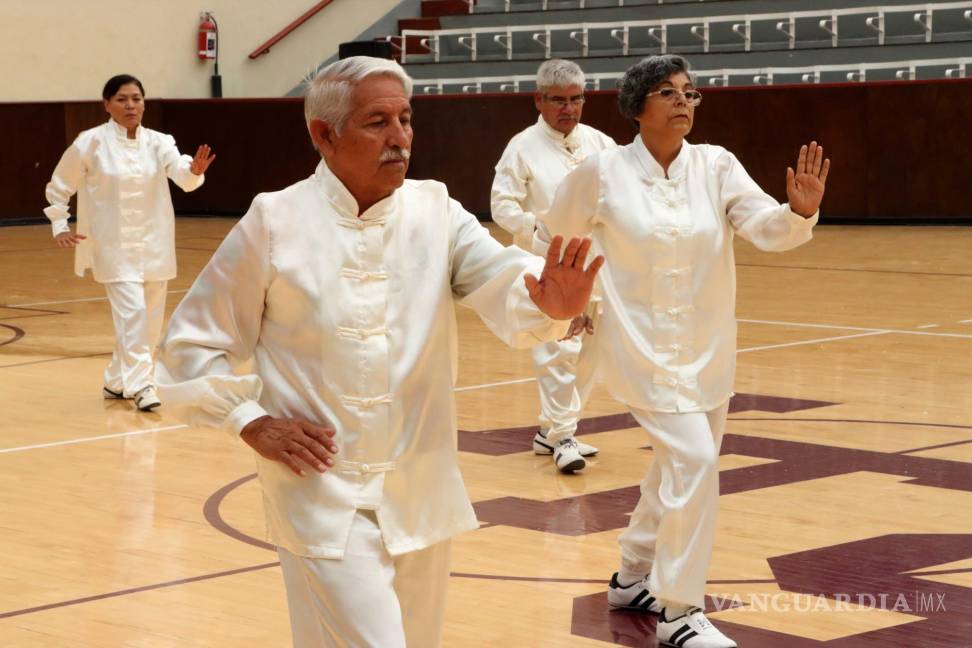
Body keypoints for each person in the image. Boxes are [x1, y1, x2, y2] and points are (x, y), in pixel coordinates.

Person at [155, 56, 602, 648]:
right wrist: (250, 422)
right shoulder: (274, 221)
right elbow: (189, 347)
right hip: (320, 493)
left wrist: (551, 304)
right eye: (377, 123)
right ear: (324, 134)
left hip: (419, 490)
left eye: (406, 119)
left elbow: (504, 280)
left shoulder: (435, 210)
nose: (400, 139)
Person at [537, 55, 831, 648]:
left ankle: (631, 576)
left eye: (691, 93)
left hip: (709, 347)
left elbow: (765, 229)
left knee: (677, 465)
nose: (683, 102)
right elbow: (551, 240)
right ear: (637, 106)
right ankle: (679, 611)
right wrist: (565, 308)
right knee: (695, 463)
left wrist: (798, 210)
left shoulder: (717, 165)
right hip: (638, 347)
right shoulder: (600, 173)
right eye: (668, 93)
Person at [43, 74, 215, 411]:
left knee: (148, 321)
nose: (130, 105)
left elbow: (184, 177)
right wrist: (59, 224)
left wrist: (194, 170)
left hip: (155, 246)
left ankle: (116, 381)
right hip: (113, 247)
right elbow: (60, 185)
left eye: (136, 98)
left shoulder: (160, 142)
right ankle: (141, 385)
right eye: (122, 99)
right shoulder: (89, 142)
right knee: (133, 315)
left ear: (144, 102)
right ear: (106, 104)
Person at [491, 59, 615, 473]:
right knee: (559, 352)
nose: (569, 108)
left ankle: (555, 430)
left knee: (590, 354)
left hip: (598, 265)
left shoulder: (601, 144)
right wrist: (538, 234)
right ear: (539, 100)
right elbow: (502, 205)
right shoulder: (521, 146)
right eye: (558, 100)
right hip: (548, 268)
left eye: (576, 99)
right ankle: (563, 437)